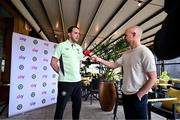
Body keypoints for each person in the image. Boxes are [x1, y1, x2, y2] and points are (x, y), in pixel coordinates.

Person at [92, 26, 157, 119]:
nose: (124, 38)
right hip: (126, 94)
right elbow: (114, 65)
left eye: (125, 35)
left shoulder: (144, 52)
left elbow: (153, 78)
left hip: (138, 96)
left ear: (134, 35)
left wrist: (140, 95)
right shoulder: (126, 53)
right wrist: (99, 59)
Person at [50, 26, 84, 119]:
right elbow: (53, 62)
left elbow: (80, 62)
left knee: (77, 107)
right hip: (65, 83)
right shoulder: (61, 46)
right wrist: (61, 73)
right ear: (69, 34)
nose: (78, 35)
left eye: (79, 33)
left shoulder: (79, 48)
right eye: (75, 33)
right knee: (60, 107)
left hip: (77, 82)